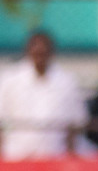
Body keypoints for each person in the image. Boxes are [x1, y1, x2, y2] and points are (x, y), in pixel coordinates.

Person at [0, 30, 88, 161]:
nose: (40, 54)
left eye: (44, 51)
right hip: (16, 158)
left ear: (51, 52)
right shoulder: (10, 80)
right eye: (36, 50)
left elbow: (75, 124)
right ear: (28, 50)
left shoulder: (67, 82)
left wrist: (71, 158)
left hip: (55, 158)